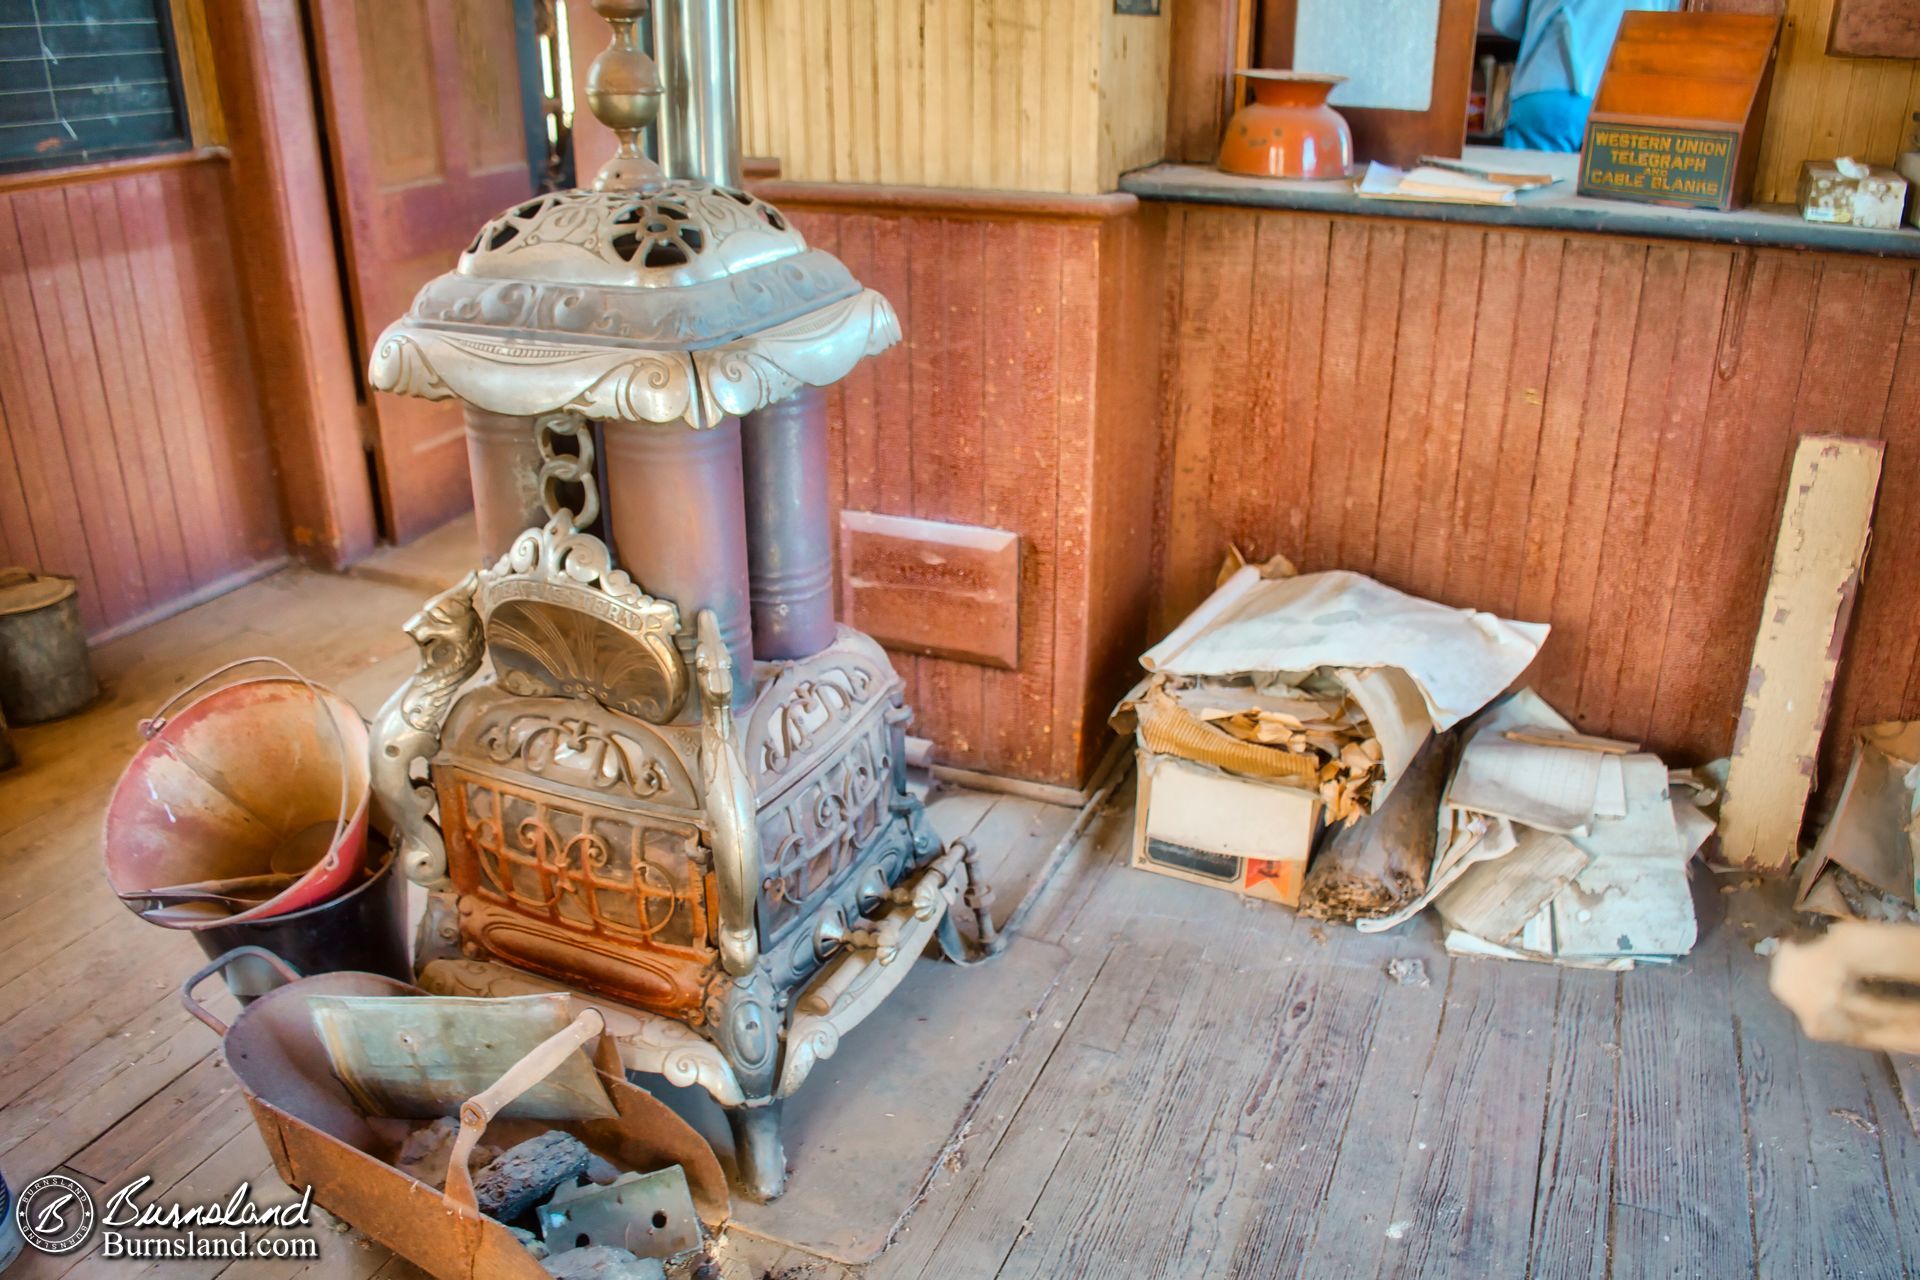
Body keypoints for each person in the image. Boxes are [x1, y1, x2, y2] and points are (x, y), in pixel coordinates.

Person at [1489, 0, 1680, 151]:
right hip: (1626, 99)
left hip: (1550, 84)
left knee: (1534, 192)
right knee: (1611, 196)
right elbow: (1678, 24)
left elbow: (1505, 19)